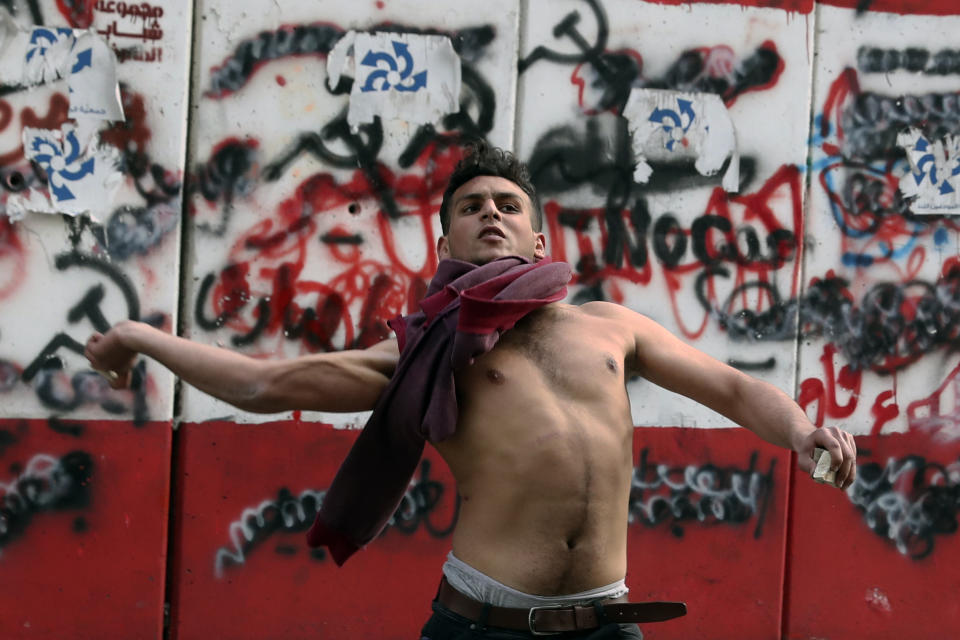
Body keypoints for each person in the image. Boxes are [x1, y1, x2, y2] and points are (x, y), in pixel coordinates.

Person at [85, 142, 856, 639]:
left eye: (508, 205)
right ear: (446, 242)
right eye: (472, 206)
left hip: (608, 624)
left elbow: (730, 386)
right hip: (483, 627)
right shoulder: (425, 351)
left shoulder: (611, 326)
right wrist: (138, 338)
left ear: (540, 240)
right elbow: (265, 382)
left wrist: (800, 431)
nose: (491, 212)